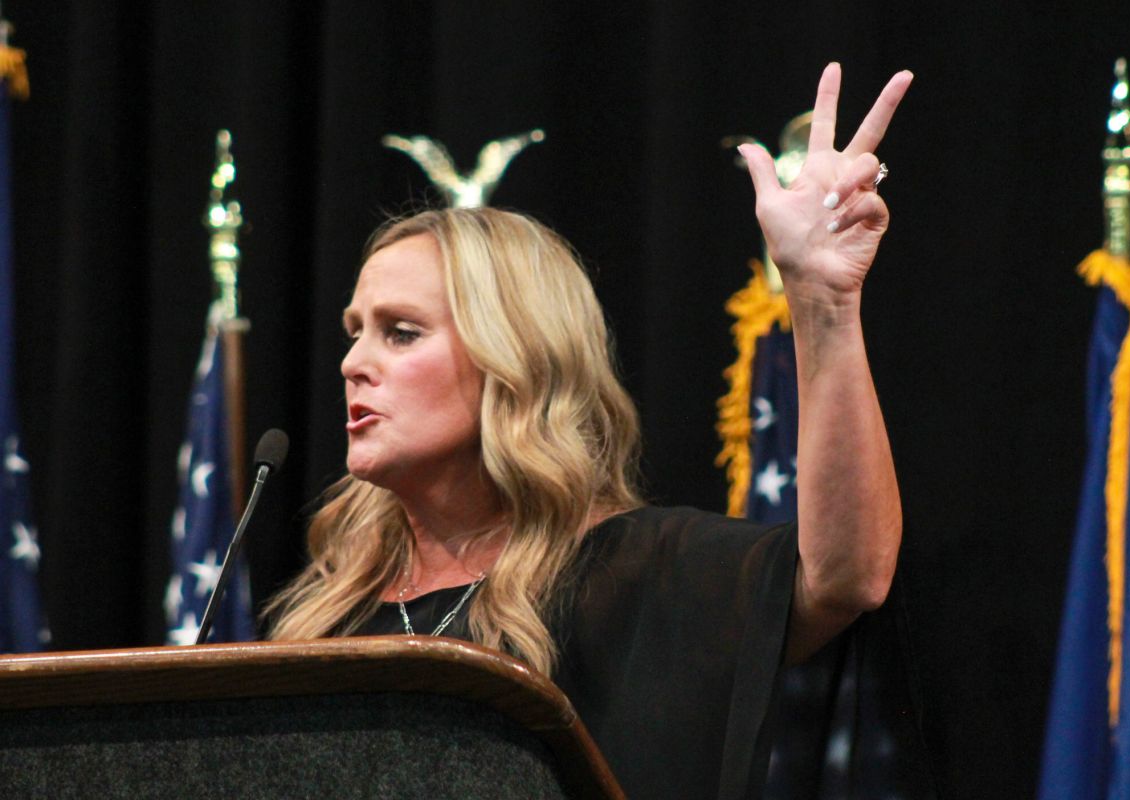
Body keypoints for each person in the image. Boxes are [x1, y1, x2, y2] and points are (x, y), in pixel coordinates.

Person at [266, 62, 912, 799]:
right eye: (355, 333)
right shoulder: (323, 618)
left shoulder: (641, 579)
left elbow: (847, 576)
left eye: (401, 333)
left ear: (513, 356)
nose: (353, 363)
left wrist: (823, 302)